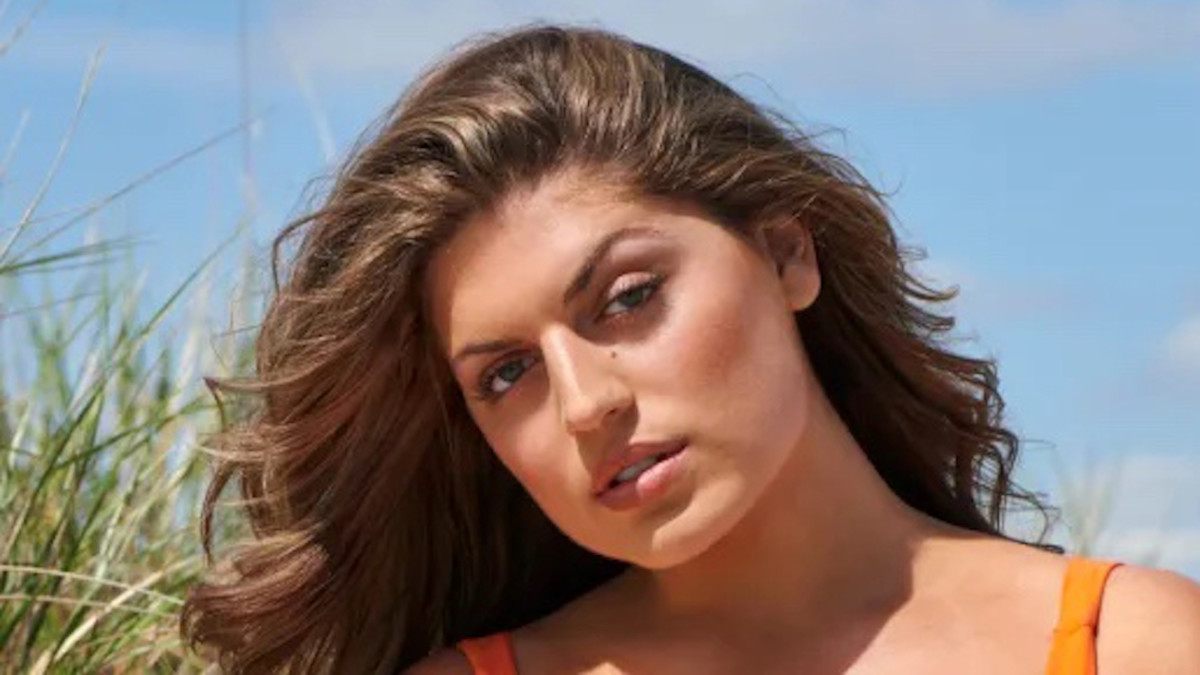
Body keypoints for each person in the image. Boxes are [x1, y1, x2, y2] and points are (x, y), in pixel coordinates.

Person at [181, 24, 1200, 674]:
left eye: (626, 299)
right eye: (505, 374)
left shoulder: (1127, 647)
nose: (584, 405)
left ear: (785, 252)